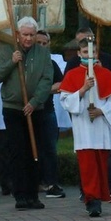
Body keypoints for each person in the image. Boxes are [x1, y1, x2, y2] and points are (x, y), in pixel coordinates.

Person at [0, 16, 53, 211]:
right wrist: (11, 62)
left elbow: (46, 79)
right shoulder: (7, 50)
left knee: (34, 152)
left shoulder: (43, 53)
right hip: (13, 109)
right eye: (25, 34)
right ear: (18, 34)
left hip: (34, 109)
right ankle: (20, 196)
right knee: (18, 153)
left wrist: (34, 102)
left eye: (32, 35)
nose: (28, 38)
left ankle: (33, 195)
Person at [59, 37, 111, 217]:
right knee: (87, 167)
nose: (89, 55)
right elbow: (65, 100)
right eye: (85, 53)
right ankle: (91, 200)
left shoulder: (106, 74)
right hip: (84, 129)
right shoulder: (72, 75)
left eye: (92, 52)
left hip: (101, 126)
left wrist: (102, 111)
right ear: (79, 54)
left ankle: (100, 196)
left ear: (97, 54)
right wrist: (83, 89)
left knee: (101, 165)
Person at [35, 29, 66, 199]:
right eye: (38, 43)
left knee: (49, 149)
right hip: (29, 111)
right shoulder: (26, 61)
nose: (41, 46)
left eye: (44, 43)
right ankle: (35, 182)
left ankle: (52, 182)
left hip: (47, 111)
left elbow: (61, 84)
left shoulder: (51, 63)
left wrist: (42, 91)